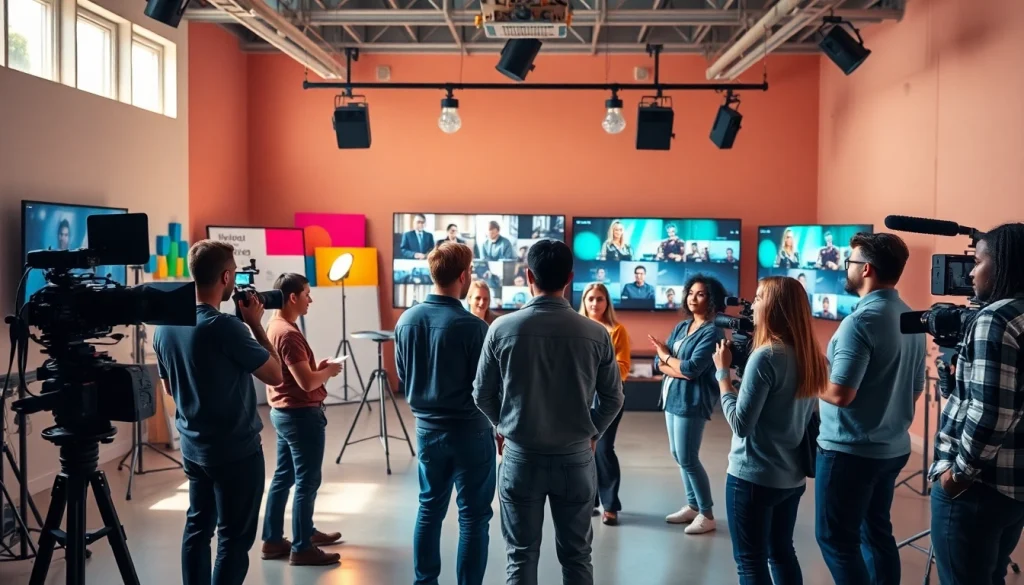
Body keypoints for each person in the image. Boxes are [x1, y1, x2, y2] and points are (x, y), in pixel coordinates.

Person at [473, 239, 624, 585]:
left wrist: (501, 425)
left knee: (520, 557)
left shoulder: (501, 329)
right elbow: (613, 398)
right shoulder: (596, 334)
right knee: (577, 557)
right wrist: (592, 433)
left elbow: (481, 393)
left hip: (520, 457)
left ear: (528, 276)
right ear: (570, 278)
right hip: (575, 460)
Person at [153, 240, 284, 585]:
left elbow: (169, 389)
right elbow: (276, 374)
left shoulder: (164, 326)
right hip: (236, 453)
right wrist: (256, 324)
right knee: (233, 540)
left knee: (198, 528)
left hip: (194, 449)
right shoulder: (226, 327)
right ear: (226, 276)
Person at [815, 232, 925, 585]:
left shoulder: (859, 322)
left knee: (836, 540)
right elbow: (915, 390)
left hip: (850, 452)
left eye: (850, 263)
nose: (845, 269)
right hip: (892, 448)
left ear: (866, 269)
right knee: (877, 534)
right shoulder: (911, 318)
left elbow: (839, 394)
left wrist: (804, 374)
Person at [713, 276, 828, 585]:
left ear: (775, 308)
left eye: (760, 298)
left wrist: (722, 374)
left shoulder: (766, 357)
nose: (754, 305)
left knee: (750, 563)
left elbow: (741, 425)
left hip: (752, 477)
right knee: (781, 553)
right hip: (791, 479)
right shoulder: (811, 357)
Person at [928, 223, 1024, 585]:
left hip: (978, 489)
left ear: (1002, 265)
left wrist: (957, 477)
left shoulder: (995, 319)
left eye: (978, 261)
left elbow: (991, 413)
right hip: (1013, 488)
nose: (969, 272)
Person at [395, 242, 496, 585]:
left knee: (429, 509)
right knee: (473, 519)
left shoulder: (406, 320)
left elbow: (404, 378)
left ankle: (425, 582)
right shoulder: (474, 328)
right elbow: (486, 390)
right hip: (470, 433)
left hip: (426, 431)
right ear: (464, 276)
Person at [260, 273, 343, 566]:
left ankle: (273, 540)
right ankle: (302, 546)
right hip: (300, 415)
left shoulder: (275, 326)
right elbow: (307, 383)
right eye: (307, 293)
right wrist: (328, 372)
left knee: (284, 476)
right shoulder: (289, 334)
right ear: (293, 297)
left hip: (283, 412)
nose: (311, 298)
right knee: (308, 480)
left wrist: (316, 369)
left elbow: (298, 374)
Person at [648, 275, 727, 535]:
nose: (693, 298)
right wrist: (669, 362)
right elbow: (658, 364)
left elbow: (693, 369)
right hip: (672, 397)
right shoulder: (683, 326)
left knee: (688, 458)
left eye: (701, 294)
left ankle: (707, 513)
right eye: (691, 293)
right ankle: (693, 505)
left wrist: (667, 358)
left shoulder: (713, 332)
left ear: (712, 299)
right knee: (678, 455)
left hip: (692, 401)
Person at [579, 283, 632, 526]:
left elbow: (623, 368)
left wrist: (595, 370)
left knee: (603, 449)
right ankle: (589, 502)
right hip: (579, 396)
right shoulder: (576, 328)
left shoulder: (617, 330)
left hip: (608, 398)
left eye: (599, 299)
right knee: (582, 451)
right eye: (590, 298)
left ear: (606, 302)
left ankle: (610, 505)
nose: (594, 303)